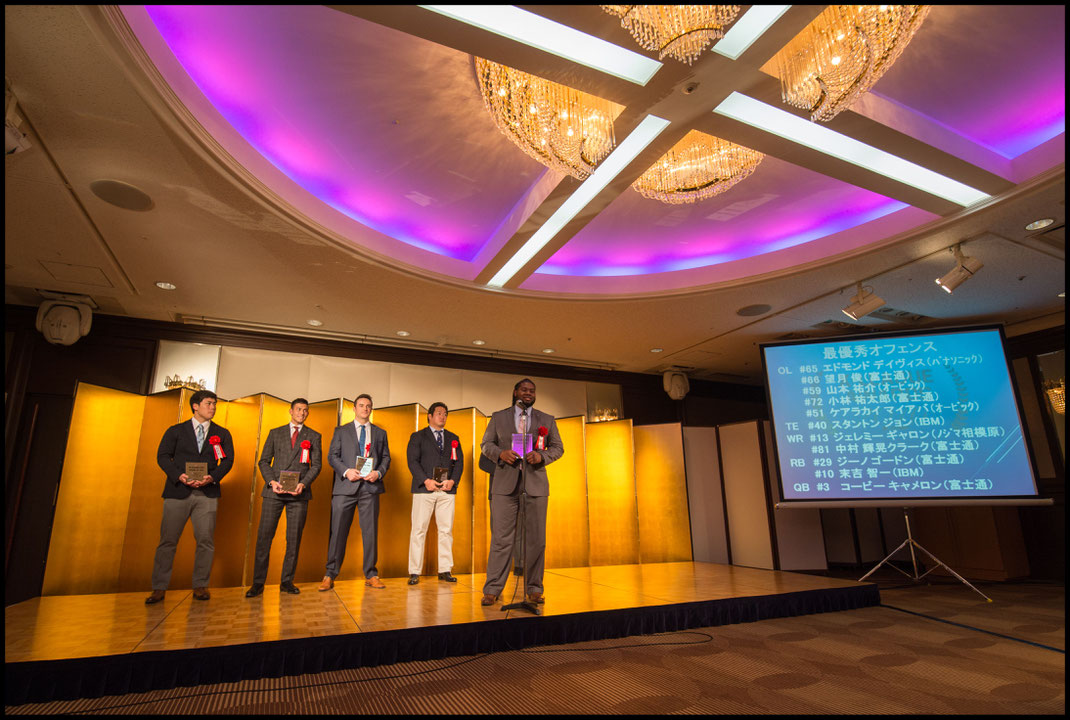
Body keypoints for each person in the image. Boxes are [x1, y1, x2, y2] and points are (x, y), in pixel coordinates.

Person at [480, 379, 563, 606]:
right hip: (504, 486)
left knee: (536, 540)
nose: (528, 393)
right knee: (501, 539)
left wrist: (542, 456)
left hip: (535, 485)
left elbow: (558, 447)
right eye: (524, 390)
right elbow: (485, 444)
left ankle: (534, 588)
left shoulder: (546, 419)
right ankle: (493, 588)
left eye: (532, 390)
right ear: (515, 392)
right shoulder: (498, 417)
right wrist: (500, 453)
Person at [146, 390, 234, 604]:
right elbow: (163, 456)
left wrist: (211, 477)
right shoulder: (176, 430)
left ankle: (201, 585)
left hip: (207, 493)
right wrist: (179, 475)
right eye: (209, 403)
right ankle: (159, 588)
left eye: (215, 404)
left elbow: (228, 461)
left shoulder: (222, 433)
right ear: (195, 406)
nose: (212, 407)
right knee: (167, 541)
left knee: (205, 541)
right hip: (177, 493)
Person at [246, 398, 322, 598]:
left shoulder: (313, 436)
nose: (302, 413)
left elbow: (316, 465)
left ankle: (287, 581)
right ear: (290, 411)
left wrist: (303, 483)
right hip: (274, 492)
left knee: (294, 539)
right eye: (298, 409)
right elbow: (263, 461)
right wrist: (272, 482)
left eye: (306, 410)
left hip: (299, 493)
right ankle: (258, 583)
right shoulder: (275, 433)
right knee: (264, 537)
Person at [321, 393, 391, 590]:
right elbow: (332, 456)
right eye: (361, 405)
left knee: (370, 532)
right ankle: (330, 574)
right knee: (338, 533)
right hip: (345, 488)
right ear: (354, 408)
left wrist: (378, 472)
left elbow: (386, 458)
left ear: (371, 409)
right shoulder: (341, 431)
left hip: (369, 488)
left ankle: (371, 574)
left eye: (368, 406)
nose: (365, 409)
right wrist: (346, 471)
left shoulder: (380, 433)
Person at [406, 402, 463, 585]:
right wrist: (426, 480)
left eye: (445, 414)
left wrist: (452, 481)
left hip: (447, 489)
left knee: (446, 530)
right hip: (424, 489)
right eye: (439, 413)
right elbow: (412, 461)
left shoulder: (454, 437)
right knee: (418, 530)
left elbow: (459, 463)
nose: (442, 416)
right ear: (429, 416)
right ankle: (414, 571)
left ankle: (445, 569)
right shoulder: (417, 436)